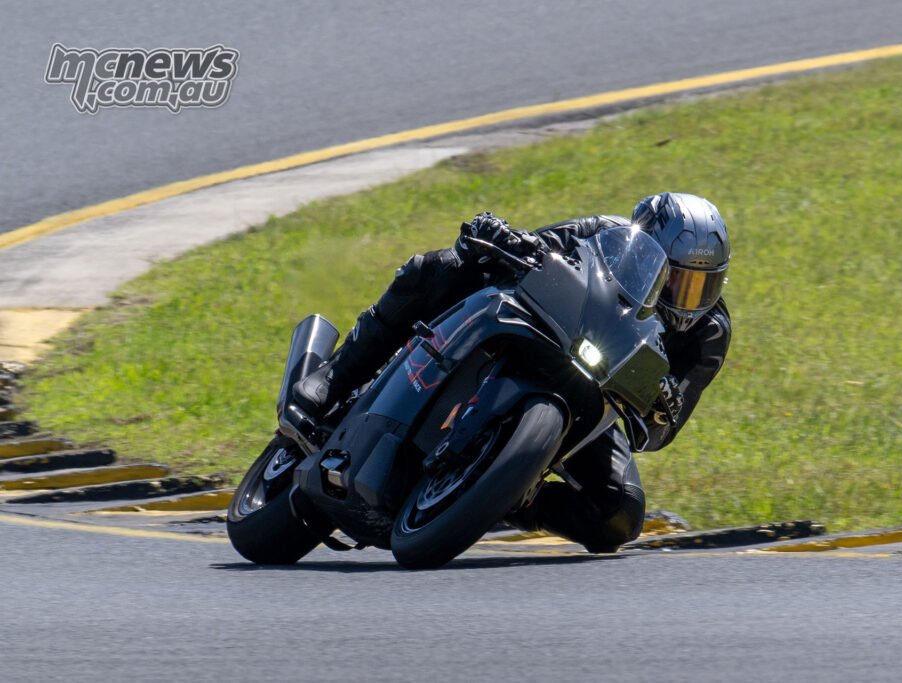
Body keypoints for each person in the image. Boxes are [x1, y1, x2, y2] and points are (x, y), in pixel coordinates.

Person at [294, 192, 732, 552]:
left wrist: (662, 404)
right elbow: (535, 252)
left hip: (594, 395)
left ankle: (514, 496)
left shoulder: (709, 333)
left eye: (702, 284)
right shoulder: (603, 234)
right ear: (648, 249)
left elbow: (657, 434)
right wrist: (502, 239)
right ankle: (336, 375)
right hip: (538, 333)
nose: (687, 297)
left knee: (621, 514)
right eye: (676, 279)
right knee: (442, 268)